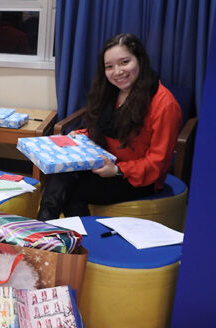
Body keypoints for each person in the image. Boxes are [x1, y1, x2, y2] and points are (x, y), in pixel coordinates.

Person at [37, 33, 182, 220]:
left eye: (124, 62)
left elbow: (157, 163)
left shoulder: (165, 104)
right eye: (109, 67)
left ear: (140, 60)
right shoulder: (110, 92)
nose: (117, 71)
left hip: (135, 177)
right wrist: (80, 135)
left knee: (74, 191)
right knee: (60, 172)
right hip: (103, 164)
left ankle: (75, 240)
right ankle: (41, 229)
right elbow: (103, 129)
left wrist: (117, 170)